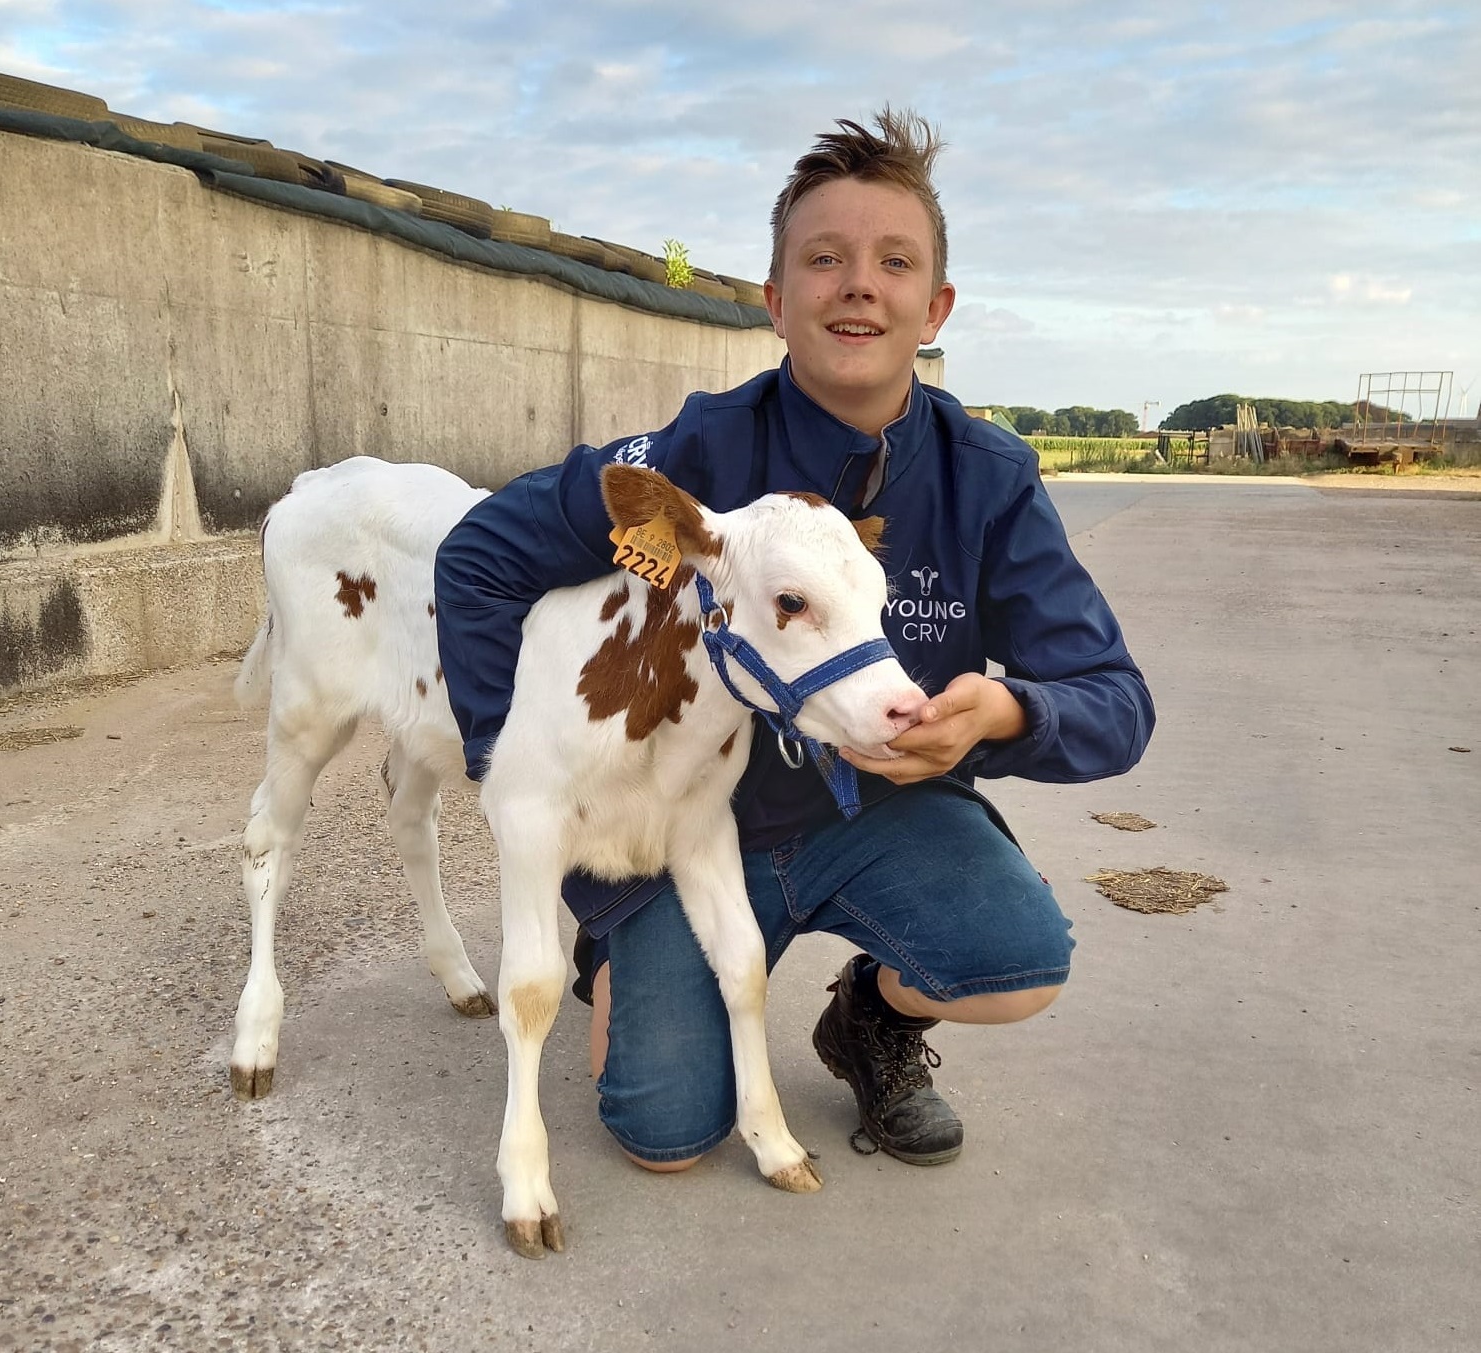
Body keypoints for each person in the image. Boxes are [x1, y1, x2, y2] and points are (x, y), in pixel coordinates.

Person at [434, 107, 1154, 1171]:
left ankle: (870, 1017)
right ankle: (627, 949)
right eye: (823, 259)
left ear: (932, 305)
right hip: (693, 821)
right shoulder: (692, 458)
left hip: (883, 814)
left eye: (892, 262)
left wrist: (1001, 717)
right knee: (663, 1136)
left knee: (1018, 961)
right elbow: (478, 558)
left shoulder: (987, 480)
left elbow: (1111, 699)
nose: (857, 283)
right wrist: (523, 778)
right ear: (775, 301)